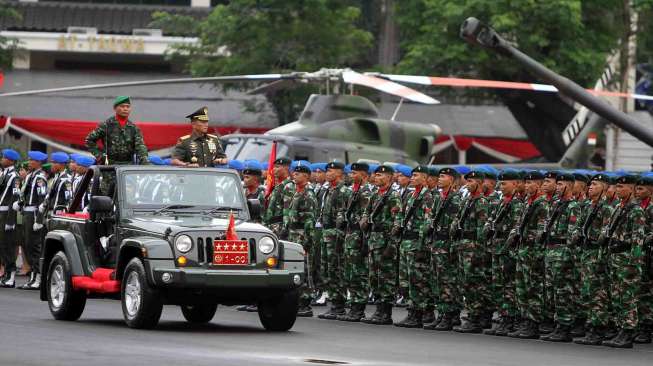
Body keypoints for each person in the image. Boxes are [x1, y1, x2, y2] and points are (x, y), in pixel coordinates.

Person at [601, 174, 647, 348]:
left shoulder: (635, 210)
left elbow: (638, 239)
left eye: (622, 187)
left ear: (631, 189)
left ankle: (628, 332)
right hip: (615, 257)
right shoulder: (620, 207)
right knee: (617, 296)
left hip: (627, 259)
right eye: (617, 187)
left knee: (627, 297)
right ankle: (620, 329)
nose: (618, 189)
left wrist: (634, 263)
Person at [573, 173, 614, 345]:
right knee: (588, 292)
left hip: (597, 254)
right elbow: (578, 227)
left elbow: (606, 234)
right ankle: (591, 326)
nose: (590, 187)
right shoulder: (588, 206)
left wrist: (599, 257)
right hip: (586, 253)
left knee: (598, 294)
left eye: (595, 184)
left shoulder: (607, 208)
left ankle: (599, 329)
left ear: (604, 188)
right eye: (590, 184)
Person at [540, 172, 581, 342]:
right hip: (551, 251)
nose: (557, 187)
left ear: (569, 186)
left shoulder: (573, 206)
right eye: (556, 184)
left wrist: (567, 255)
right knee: (553, 291)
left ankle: (565, 326)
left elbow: (573, 235)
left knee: (563, 291)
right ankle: (558, 323)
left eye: (560, 184)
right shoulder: (555, 204)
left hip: (563, 253)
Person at [508, 170, 549, 339]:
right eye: (526, 183)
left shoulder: (542, 204)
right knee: (522, 288)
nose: (527, 186)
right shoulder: (528, 201)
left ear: (539, 185)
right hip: (523, 250)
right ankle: (525, 320)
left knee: (533, 288)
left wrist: (537, 253)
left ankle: (533, 323)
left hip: (533, 251)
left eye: (531, 183)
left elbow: (542, 231)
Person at [393, 165, 434, 328]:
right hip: (406, 242)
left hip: (417, 243)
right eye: (413, 175)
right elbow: (401, 215)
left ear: (425, 178)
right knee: (407, 280)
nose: (413, 178)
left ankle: (421, 312)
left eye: (416, 175)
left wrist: (422, 244)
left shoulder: (428, 196)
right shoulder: (411, 194)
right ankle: (413, 311)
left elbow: (428, 221)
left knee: (419, 279)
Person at [484, 168, 524, 336]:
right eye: (500, 183)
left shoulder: (516, 204)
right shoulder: (502, 202)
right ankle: (503, 317)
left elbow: (516, 229)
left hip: (507, 251)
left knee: (509, 286)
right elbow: (491, 221)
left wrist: (506, 248)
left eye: (505, 183)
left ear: (515, 184)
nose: (501, 186)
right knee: (498, 285)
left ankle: (510, 319)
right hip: (497, 248)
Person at [360, 165, 402, 325]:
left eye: (379, 175)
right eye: (375, 175)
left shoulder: (393, 196)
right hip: (374, 240)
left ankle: (386, 312)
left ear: (388, 177)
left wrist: (391, 245)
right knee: (374, 276)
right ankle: (378, 309)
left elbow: (397, 221)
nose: (375, 178)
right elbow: (367, 212)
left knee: (386, 277)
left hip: (385, 241)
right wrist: (364, 221)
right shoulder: (375, 194)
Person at [424, 167, 463, 331]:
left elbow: (455, 226)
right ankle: (443, 313)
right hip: (436, 244)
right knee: (437, 280)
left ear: (452, 180)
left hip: (447, 246)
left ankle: (449, 315)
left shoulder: (456, 200)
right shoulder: (439, 198)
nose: (439, 179)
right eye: (439, 176)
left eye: (443, 177)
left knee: (448, 281)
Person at [451, 170, 490, 333]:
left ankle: (475, 317)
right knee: (465, 282)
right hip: (463, 245)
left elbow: (483, 229)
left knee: (473, 283)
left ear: (480, 184)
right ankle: (473, 314)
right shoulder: (467, 200)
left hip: (473, 248)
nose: (468, 184)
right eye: (467, 181)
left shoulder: (481, 202)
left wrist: (479, 251)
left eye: (472, 181)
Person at [337, 162, 373, 322]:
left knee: (359, 272)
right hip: (350, 235)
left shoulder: (365, 192)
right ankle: (353, 306)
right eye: (350, 173)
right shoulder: (354, 190)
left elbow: (366, 216)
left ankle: (359, 307)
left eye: (354, 173)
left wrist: (362, 239)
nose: (351, 175)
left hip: (358, 236)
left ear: (364, 175)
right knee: (350, 272)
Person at [317, 161, 349, 320]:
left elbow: (343, 216)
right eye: (327, 170)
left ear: (340, 173)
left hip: (336, 234)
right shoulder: (329, 190)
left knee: (337, 269)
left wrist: (338, 235)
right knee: (328, 270)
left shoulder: (343, 191)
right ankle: (334, 303)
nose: (328, 173)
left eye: (331, 171)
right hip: (326, 232)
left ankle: (339, 305)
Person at [284, 162, 317, 317]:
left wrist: (306, 243)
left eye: (298, 174)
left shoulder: (308, 194)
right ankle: (298, 301)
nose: (294, 175)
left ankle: (305, 303)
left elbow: (310, 222)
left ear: (306, 176)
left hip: (301, 236)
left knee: (303, 269)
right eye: (294, 173)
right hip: (293, 235)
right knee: (294, 268)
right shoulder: (296, 192)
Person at [85, 96, 149, 165]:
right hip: (109, 167)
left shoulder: (134, 128)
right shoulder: (106, 125)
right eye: (122, 106)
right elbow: (89, 140)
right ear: (115, 108)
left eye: (128, 107)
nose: (125, 109)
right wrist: (100, 156)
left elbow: (140, 146)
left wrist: (144, 160)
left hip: (127, 167)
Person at [17, 151, 49, 290]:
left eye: (31, 160)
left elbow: (42, 201)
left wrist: (39, 220)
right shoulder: (32, 176)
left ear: (38, 162)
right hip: (27, 212)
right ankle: (32, 277)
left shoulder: (40, 178)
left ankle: (38, 277)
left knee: (34, 246)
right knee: (27, 245)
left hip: (34, 214)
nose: (29, 162)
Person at [0, 149, 21, 288]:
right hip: (1, 211)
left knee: (7, 245)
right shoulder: (5, 174)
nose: (2, 159)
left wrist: (10, 221)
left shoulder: (14, 176)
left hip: (6, 213)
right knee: (2, 245)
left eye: (4, 158)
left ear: (11, 161)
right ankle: (6, 274)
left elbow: (14, 199)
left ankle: (11, 275)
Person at [36, 152, 73, 228]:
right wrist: (44, 205)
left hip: (59, 215)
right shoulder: (57, 177)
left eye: (54, 163)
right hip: (51, 214)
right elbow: (50, 194)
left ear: (62, 165)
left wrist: (64, 217)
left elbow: (69, 199)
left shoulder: (66, 180)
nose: (51, 165)